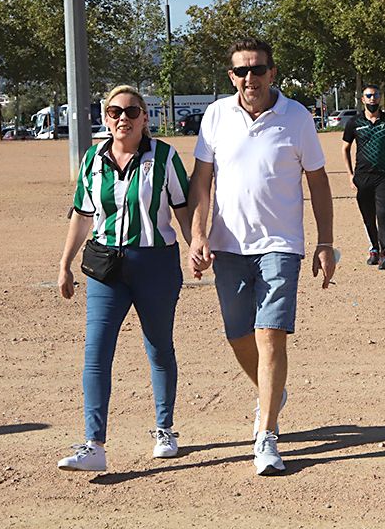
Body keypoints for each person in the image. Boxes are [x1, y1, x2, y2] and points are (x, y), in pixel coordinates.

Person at [188, 37, 335, 476]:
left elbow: (320, 183)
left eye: (257, 69)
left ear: (273, 72)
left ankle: (267, 434)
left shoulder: (297, 117)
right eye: (240, 71)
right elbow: (201, 183)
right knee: (238, 335)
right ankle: (273, 391)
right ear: (231, 75)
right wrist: (198, 235)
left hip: (280, 245)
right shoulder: (216, 115)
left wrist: (325, 243)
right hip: (228, 245)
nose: (249, 78)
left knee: (271, 335)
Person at [56, 85, 191, 472]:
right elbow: (82, 214)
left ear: (145, 118)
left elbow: (181, 207)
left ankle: (165, 429)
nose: (123, 119)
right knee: (96, 352)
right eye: (115, 112)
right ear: (105, 117)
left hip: (156, 265)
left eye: (132, 112)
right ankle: (93, 443)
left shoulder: (163, 156)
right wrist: (65, 263)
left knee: (159, 346)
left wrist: (196, 243)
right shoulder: (92, 159)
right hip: (106, 267)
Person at [342, 85, 385, 270]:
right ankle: (373, 248)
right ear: (362, 99)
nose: (373, 99)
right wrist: (350, 175)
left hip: (384, 176)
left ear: (380, 98)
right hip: (363, 176)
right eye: (369, 96)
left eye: (376, 95)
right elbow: (345, 148)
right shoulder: (354, 122)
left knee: (382, 213)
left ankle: (383, 252)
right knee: (368, 215)